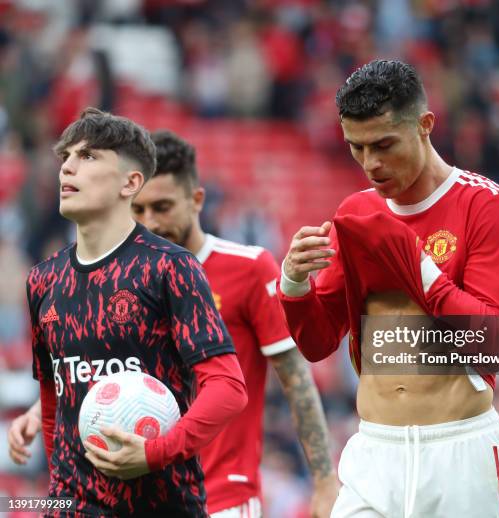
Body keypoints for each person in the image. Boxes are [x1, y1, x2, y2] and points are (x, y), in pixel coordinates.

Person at [11, 129, 339, 517]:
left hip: (215, 491)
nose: (151, 220)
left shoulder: (237, 268)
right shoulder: (57, 279)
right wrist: (46, 410)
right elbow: (111, 367)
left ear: (195, 200)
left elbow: (291, 378)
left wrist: (324, 480)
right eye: (141, 210)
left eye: (162, 207)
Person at [278, 60, 499, 517]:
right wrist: (293, 282)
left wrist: (416, 266)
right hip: (375, 452)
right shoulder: (354, 213)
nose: (371, 163)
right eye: (357, 147)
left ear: (425, 125)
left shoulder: (487, 205)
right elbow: (316, 343)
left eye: (384, 144)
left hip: (460, 451)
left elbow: (496, 345)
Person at [25, 108, 247, 517]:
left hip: (162, 505)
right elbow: (54, 400)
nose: (68, 168)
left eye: (88, 157)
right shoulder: (42, 280)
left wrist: (155, 453)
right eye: (66, 158)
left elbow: (228, 389)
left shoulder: (169, 267)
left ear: (131, 182)